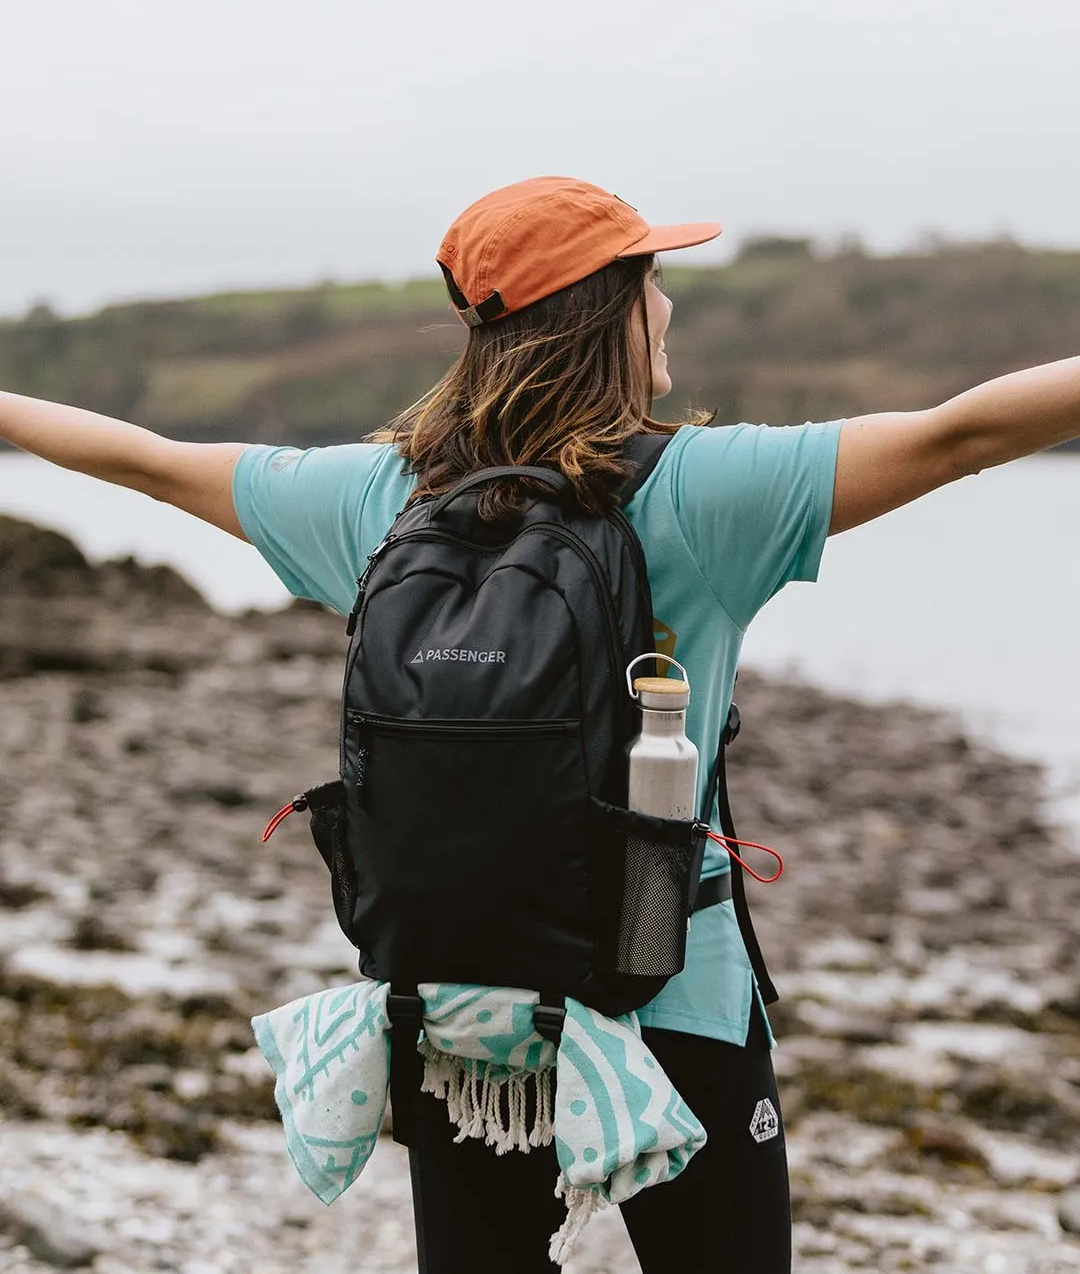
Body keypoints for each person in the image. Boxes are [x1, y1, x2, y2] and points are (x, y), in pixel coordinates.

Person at [2, 174, 1078, 1274]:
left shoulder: (383, 503)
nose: (668, 306)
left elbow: (148, 460)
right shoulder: (703, 495)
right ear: (607, 309)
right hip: (673, 993)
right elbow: (961, 436)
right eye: (654, 281)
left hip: (468, 1015)